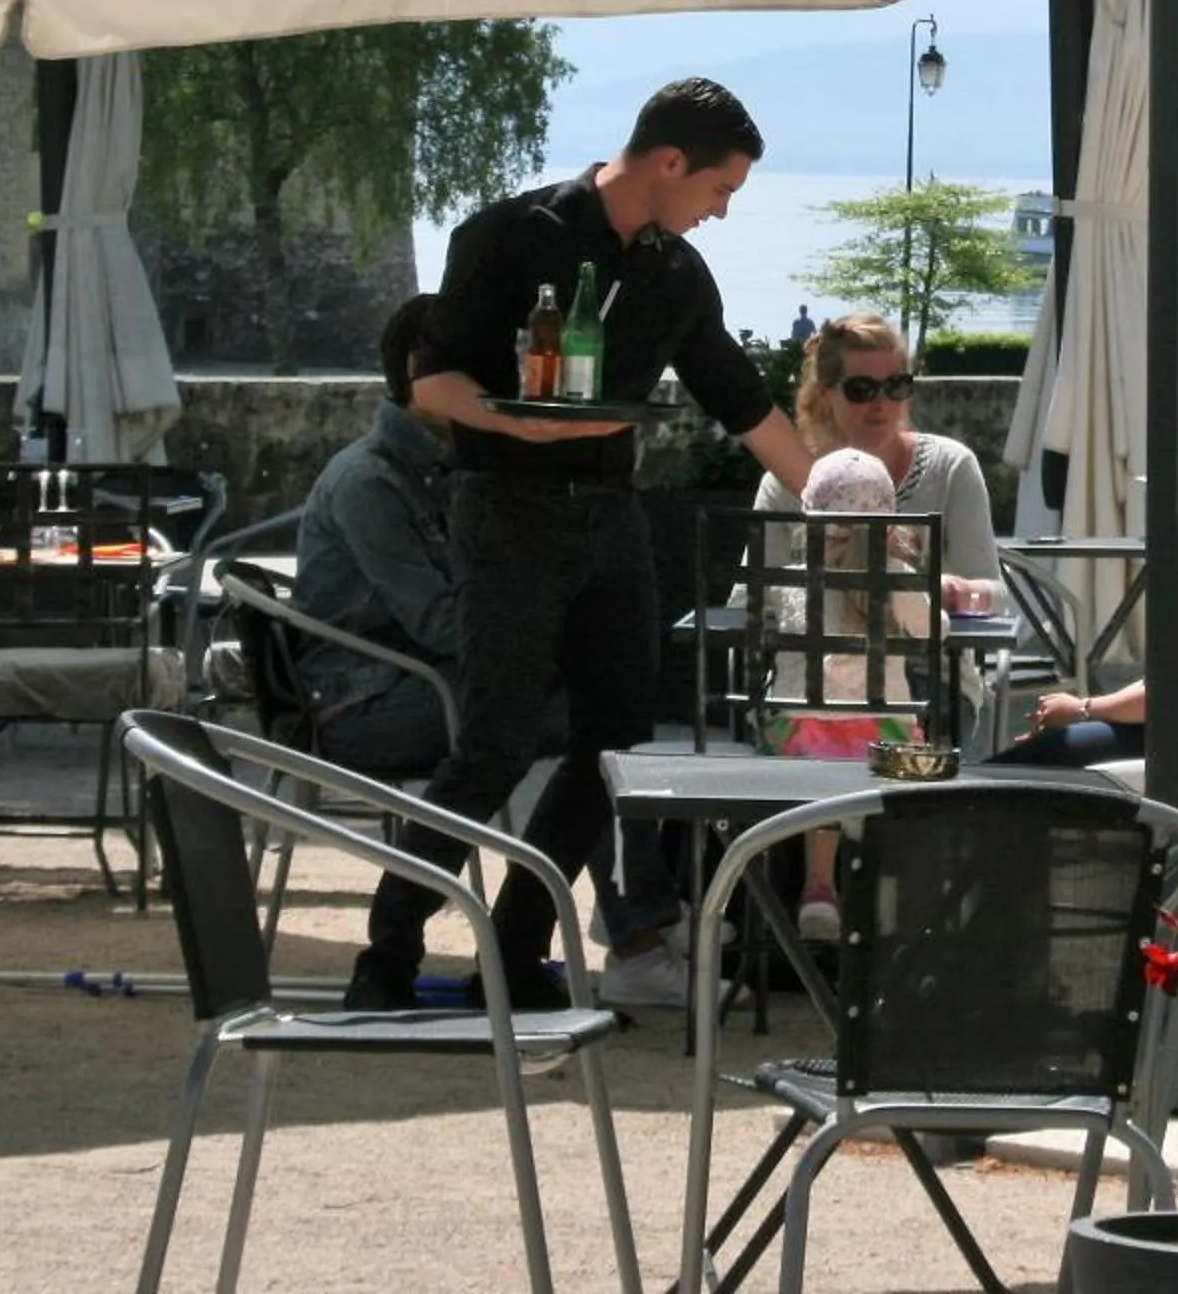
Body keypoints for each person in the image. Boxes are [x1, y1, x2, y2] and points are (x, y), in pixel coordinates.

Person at [348, 77, 816, 1013]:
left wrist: (847, 510)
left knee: (616, 745)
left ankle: (514, 952)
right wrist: (516, 425)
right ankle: (386, 958)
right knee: (494, 745)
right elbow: (431, 382)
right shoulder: (508, 234)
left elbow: (742, 403)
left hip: (611, 518)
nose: (722, 212)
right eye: (720, 190)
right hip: (505, 510)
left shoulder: (677, 274)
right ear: (670, 162)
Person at [992, 423, 1178, 772]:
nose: (1170, 506)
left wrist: (1082, 709)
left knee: (1004, 774)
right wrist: (1085, 711)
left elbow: (1163, 697)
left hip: (1175, 745)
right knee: (1033, 757)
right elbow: (1163, 684)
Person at [755, 447, 932, 941]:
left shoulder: (792, 580)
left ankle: (819, 886)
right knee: (906, 753)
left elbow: (763, 626)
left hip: (796, 744)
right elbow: (931, 631)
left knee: (824, 753)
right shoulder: (896, 580)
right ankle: (887, 898)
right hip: (884, 746)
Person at [289, 294, 461, 773]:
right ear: (417, 371)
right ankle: (445, 823)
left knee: (587, 691)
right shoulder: (369, 483)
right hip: (361, 706)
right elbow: (439, 623)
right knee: (557, 700)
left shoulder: (439, 469)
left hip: (413, 680)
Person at [749, 312, 999, 587]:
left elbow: (993, 593)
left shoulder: (950, 468)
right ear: (825, 394)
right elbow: (746, 598)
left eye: (896, 386)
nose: (881, 404)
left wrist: (952, 592)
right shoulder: (785, 482)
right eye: (861, 389)